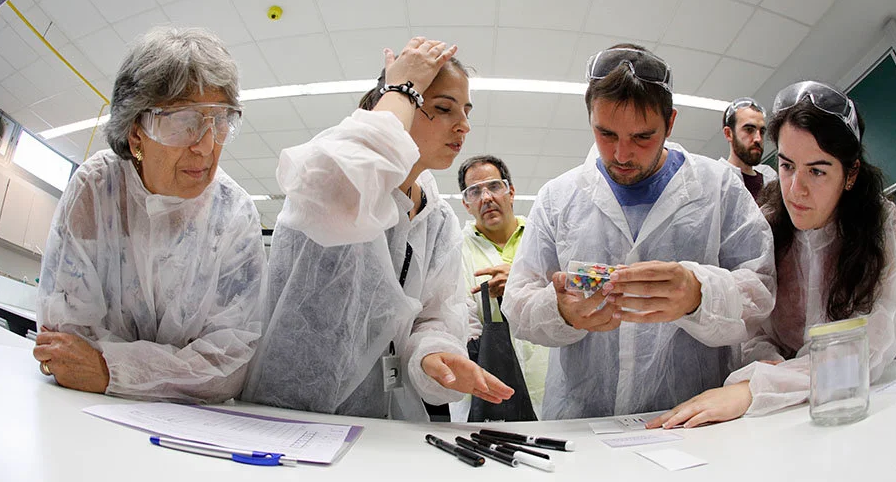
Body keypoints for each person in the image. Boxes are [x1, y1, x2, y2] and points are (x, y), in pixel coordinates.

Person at [242, 38, 513, 420]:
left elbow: (433, 314)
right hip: (290, 410)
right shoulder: (340, 180)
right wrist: (400, 89)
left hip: (380, 417)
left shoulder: (437, 220)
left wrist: (433, 353)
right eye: (443, 108)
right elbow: (340, 180)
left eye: (466, 111)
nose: (464, 125)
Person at [503, 44, 775, 420]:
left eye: (643, 137)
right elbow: (518, 304)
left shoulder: (719, 187)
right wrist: (561, 311)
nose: (622, 154)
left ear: (670, 122)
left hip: (692, 419)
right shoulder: (557, 198)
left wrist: (700, 294)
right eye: (606, 134)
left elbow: (761, 292)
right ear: (590, 118)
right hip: (583, 419)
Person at [648, 81, 896, 429]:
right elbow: (753, 329)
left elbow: (871, 346)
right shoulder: (767, 222)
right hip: (780, 412)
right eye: (787, 166)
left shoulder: (878, 221)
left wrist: (758, 387)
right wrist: (768, 367)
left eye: (817, 171)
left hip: (850, 403)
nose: (796, 190)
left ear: (851, 174)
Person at [32, 27, 266, 403]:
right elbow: (64, 344)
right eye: (185, 122)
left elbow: (230, 365)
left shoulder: (235, 215)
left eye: (220, 120)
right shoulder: (97, 190)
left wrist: (109, 368)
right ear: (136, 131)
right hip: (82, 412)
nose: (207, 146)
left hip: (191, 426)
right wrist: (176, 369)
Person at [453, 155, 548, 420]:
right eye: (475, 191)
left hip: (546, 381)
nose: (486, 197)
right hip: (487, 386)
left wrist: (516, 284)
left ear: (511, 192)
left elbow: (568, 299)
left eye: (494, 186)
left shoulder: (542, 237)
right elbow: (457, 320)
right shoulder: (455, 248)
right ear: (466, 204)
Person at [719, 97, 776, 200]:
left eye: (762, 132)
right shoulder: (718, 181)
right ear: (729, 134)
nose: (758, 139)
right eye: (749, 130)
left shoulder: (771, 179)